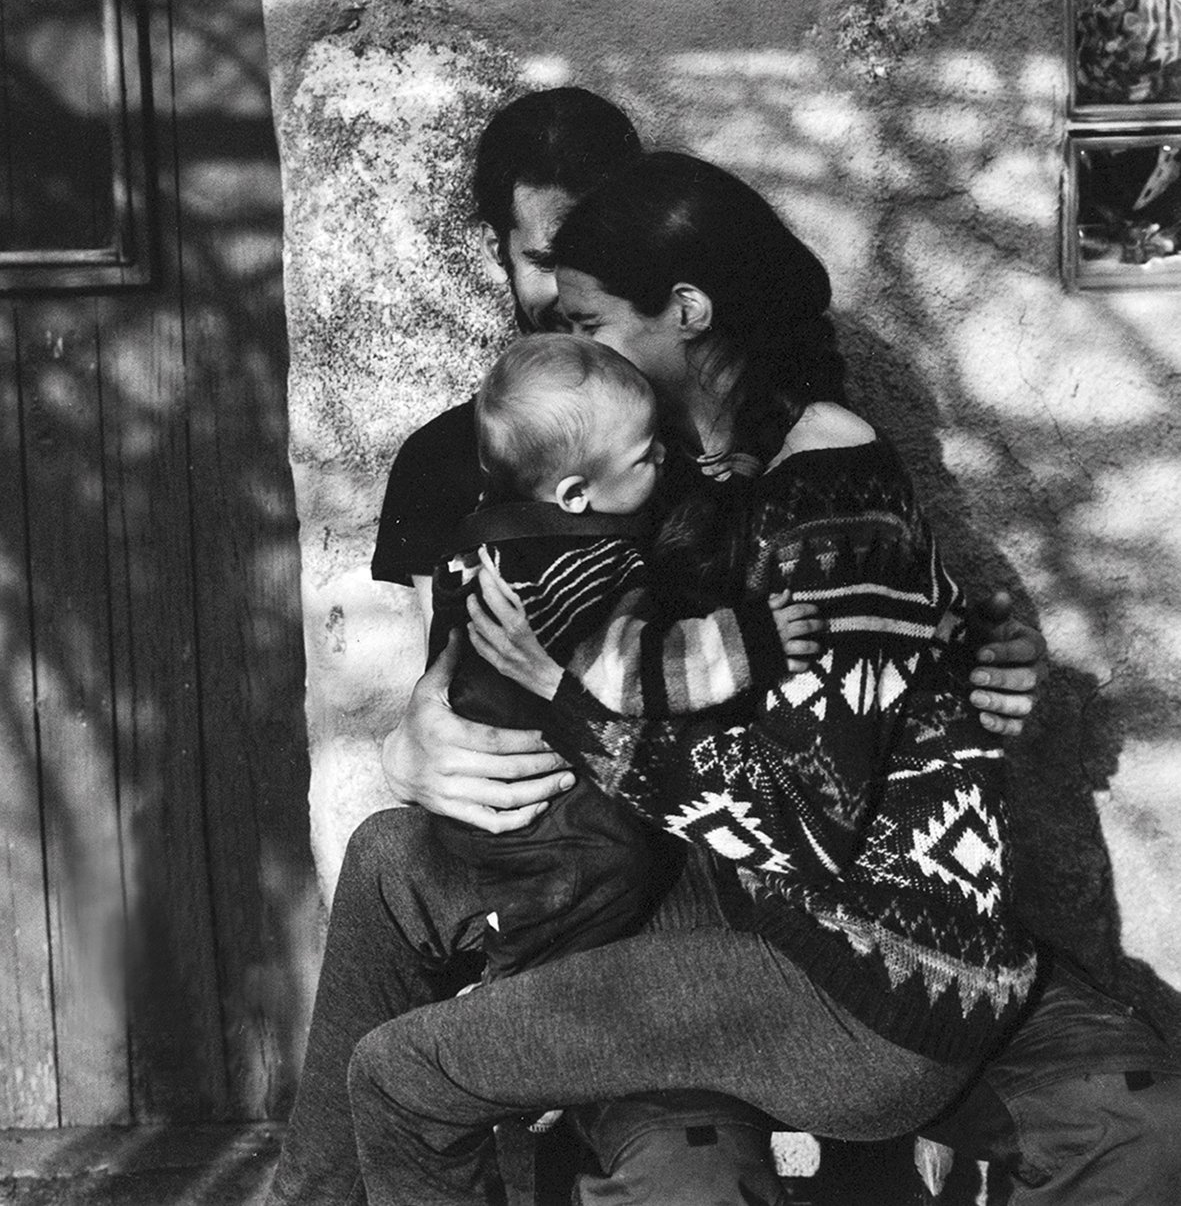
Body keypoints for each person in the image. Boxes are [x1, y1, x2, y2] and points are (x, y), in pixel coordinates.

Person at [333, 149, 1037, 1206]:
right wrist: (424, 728)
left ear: (687, 309)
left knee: (401, 1070)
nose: (565, 346)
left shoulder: (829, 478)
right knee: (388, 851)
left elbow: (808, 818)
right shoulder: (679, 472)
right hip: (744, 908)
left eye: (588, 322)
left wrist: (572, 713)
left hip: (866, 981)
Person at [429, 331, 823, 979]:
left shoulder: (499, 535)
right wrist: (752, 640)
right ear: (575, 496)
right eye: (645, 456)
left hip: (488, 792)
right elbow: (632, 673)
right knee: (609, 866)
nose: (664, 456)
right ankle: (515, 986)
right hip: (542, 804)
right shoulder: (582, 570)